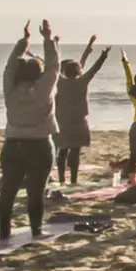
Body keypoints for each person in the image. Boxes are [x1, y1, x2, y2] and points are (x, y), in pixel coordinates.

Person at [0, 20, 60, 242]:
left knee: (9, 190)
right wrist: (48, 39)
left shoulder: (10, 90)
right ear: (37, 75)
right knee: (36, 190)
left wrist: (23, 42)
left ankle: (4, 232)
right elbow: (54, 67)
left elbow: (9, 67)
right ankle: (35, 230)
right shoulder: (42, 91)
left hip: (13, 143)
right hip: (39, 144)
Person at [52, 35, 110, 185]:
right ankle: (73, 180)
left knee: (63, 152)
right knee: (75, 152)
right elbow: (94, 69)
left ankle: (61, 180)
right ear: (78, 71)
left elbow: (54, 64)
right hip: (79, 121)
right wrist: (103, 57)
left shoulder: (60, 81)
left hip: (63, 121)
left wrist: (55, 45)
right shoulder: (82, 81)